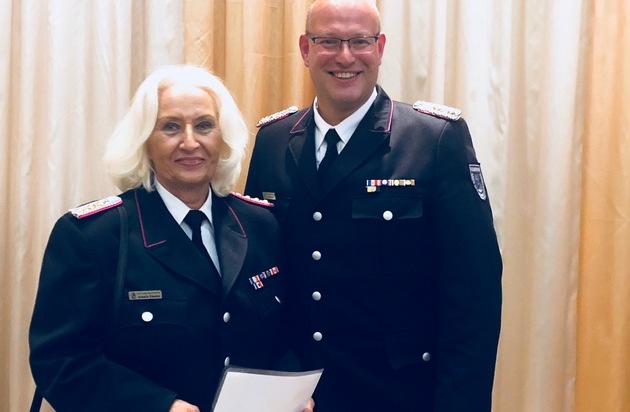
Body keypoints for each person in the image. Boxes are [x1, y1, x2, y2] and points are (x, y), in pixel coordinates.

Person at [244, 0, 503, 411]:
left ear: (380, 48)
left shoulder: (433, 140)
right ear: (306, 49)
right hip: (299, 396)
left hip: (398, 394)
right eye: (329, 41)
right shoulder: (273, 141)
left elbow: (474, 295)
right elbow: (259, 277)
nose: (345, 56)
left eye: (360, 41)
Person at [29, 65, 314, 412]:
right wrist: (159, 406)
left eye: (204, 125)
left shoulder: (258, 224)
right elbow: (61, 361)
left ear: (222, 138)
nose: (190, 142)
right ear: (145, 141)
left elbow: (281, 335)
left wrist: (291, 391)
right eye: (171, 127)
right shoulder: (93, 236)